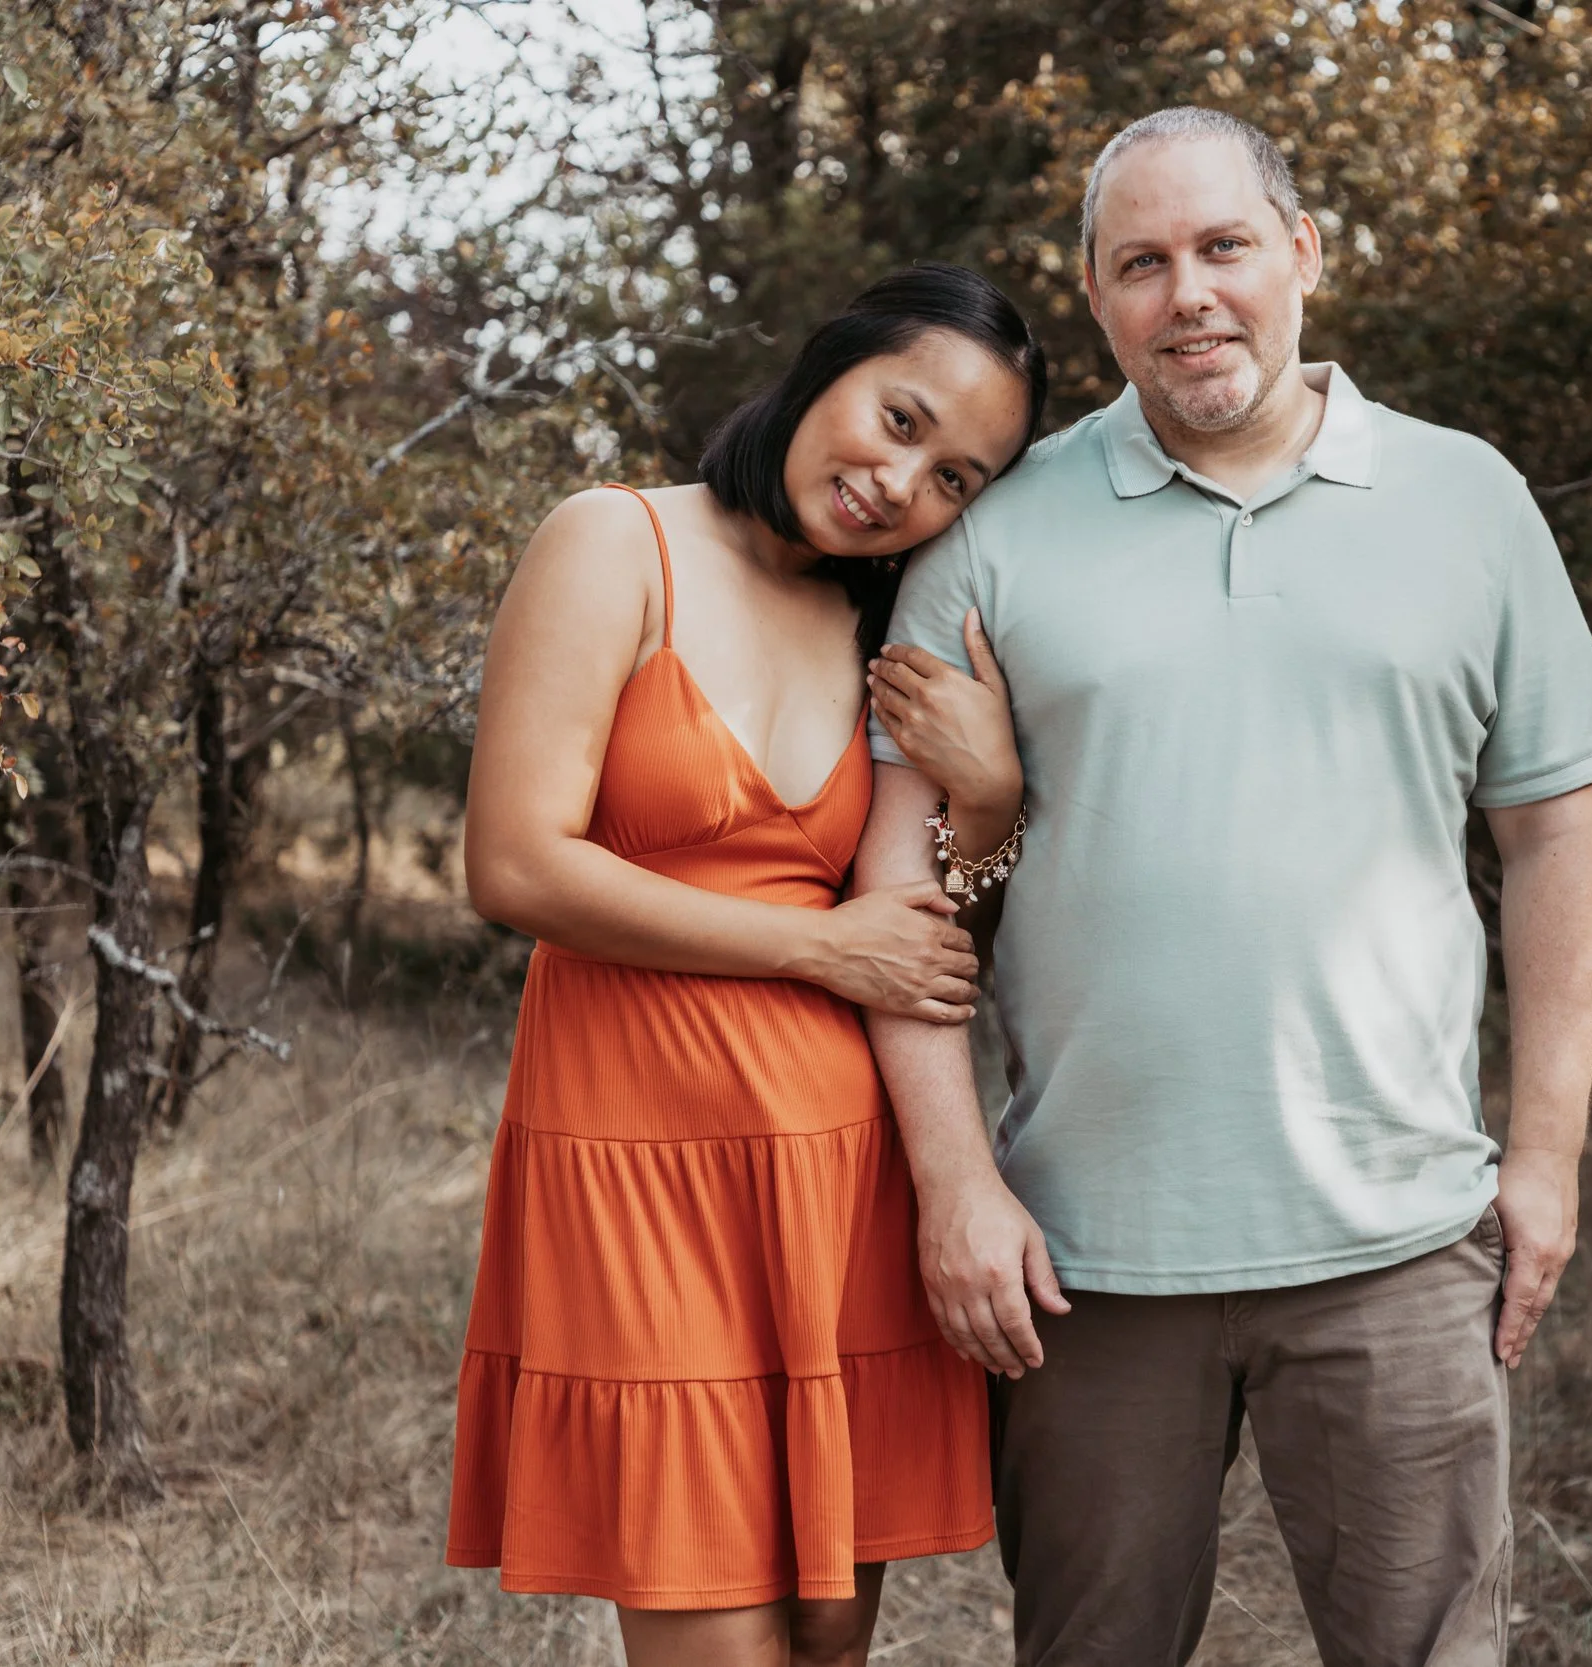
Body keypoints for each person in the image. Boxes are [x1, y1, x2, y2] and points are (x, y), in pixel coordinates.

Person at [860, 110, 1592, 1665]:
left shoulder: (1468, 501)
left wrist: (1543, 1159)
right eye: (1142, 264)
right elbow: (910, 901)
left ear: (1303, 254)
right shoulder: (994, 538)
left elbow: (1558, 845)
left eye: (1223, 248)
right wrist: (955, 1183)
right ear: (1096, 296)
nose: (1189, 295)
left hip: (1399, 1244)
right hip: (1083, 1263)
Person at [446, 264, 1046, 1667]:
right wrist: (813, 942)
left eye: (955, 476)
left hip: (836, 1170)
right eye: (898, 418)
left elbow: (926, 918)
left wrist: (996, 804)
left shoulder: (877, 625)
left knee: (830, 1639)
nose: (903, 482)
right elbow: (516, 864)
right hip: (639, 1155)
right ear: (826, 359)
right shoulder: (615, 542)